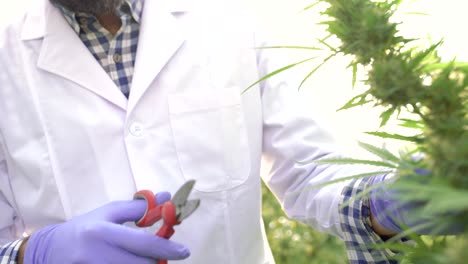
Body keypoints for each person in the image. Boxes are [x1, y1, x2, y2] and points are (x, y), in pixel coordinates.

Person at [0, 0, 429, 263]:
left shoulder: (227, 22)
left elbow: (309, 172)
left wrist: (379, 202)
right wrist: (29, 256)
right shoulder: (7, 61)